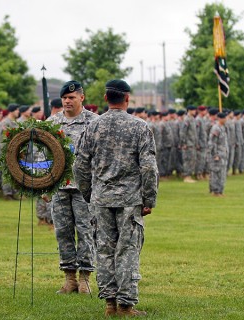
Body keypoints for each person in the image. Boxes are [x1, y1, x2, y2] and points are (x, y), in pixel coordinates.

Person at [73, 79, 158, 317]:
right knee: (127, 250)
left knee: (104, 249)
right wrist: (149, 199)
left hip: (101, 199)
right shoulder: (140, 127)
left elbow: (79, 165)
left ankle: (110, 304)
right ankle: (126, 305)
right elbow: (149, 168)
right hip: (130, 200)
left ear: (105, 98)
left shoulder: (93, 127)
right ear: (127, 98)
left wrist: (90, 193)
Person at [47, 80, 98, 295]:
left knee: (86, 231)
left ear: (81, 98)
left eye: (72, 97)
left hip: (84, 188)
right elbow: (44, 154)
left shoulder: (94, 122)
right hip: (59, 186)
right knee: (63, 232)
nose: (67, 101)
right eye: (65, 98)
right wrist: (44, 185)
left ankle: (85, 278)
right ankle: (69, 278)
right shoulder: (52, 123)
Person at [208, 112, 229, 196]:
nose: (226, 119)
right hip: (218, 155)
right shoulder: (216, 128)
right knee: (216, 173)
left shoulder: (222, 128)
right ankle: (215, 191)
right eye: (224, 118)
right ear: (220, 119)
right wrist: (215, 154)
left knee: (222, 174)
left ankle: (220, 190)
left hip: (223, 154)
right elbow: (212, 142)